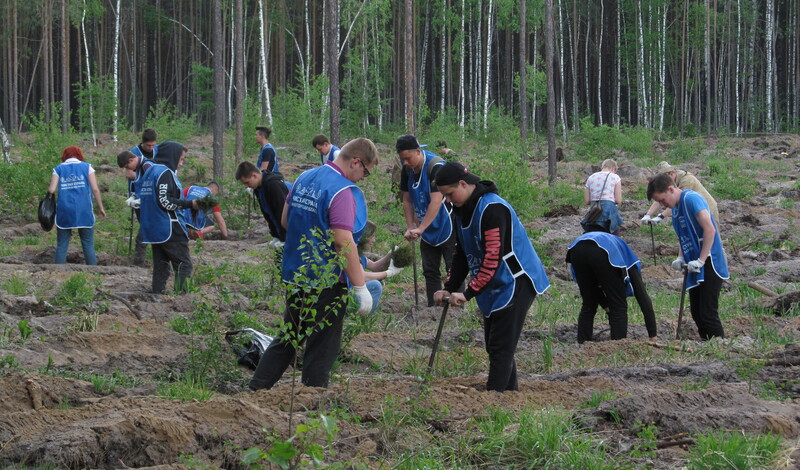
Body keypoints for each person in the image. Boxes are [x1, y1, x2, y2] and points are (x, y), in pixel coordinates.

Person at [249, 138, 378, 391]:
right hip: (327, 279)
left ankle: (255, 390)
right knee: (323, 345)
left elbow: (285, 221)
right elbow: (344, 241)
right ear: (356, 162)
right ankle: (312, 398)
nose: (364, 177)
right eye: (366, 171)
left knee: (289, 336)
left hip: (296, 273)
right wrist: (361, 287)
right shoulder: (342, 191)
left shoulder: (304, 178)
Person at [432, 162, 550, 392]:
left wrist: (467, 294)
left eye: (449, 194)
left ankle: (494, 399)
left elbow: (492, 258)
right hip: (491, 282)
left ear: (464, 184)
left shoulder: (493, 209)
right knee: (495, 345)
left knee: (500, 346)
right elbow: (462, 253)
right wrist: (449, 286)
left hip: (516, 280)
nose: (447, 200)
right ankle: (509, 395)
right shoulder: (461, 208)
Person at [647, 173, 728, 340]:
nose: (662, 205)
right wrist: (681, 257)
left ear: (671, 189)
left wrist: (701, 260)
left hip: (709, 260)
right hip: (693, 261)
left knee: (707, 312)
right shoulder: (675, 208)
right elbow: (684, 235)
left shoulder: (691, 199)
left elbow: (710, 229)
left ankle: (721, 349)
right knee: (696, 312)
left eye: (662, 200)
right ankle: (707, 345)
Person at [565, 231, 658, 343]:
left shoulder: (619, 251)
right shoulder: (631, 264)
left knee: (588, 304)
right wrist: (653, 335)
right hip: (603, 249)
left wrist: (605, 306)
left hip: (576, 248)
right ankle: (617, 346)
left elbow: (593, 288)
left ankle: (582, 344)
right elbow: (643, 298)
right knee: (618, 306)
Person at [396, 134, 456, 307]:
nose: (405, 162)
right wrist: (410, 226)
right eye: (402, 159)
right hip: (426, 227)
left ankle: (456, 309)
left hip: (447, 224)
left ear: (418, 150)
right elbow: (407, 199)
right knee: (430, 270)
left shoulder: (435, 167)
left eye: (408, 158)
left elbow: (436, 200)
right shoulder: (407, 170)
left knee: (453, 269)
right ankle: (433, 308)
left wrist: (420, 228)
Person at [135, 141, 198, 294]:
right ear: (172, 156)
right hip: (169, 227)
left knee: (161, 266)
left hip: (153, 228)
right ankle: (182, 298)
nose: (181, 164)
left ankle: (157, 294)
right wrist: (191, 204)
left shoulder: (150, 171)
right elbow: (165, 202)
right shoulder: (165, 173)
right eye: (180, 159)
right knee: (184, 265)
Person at [48, 146, 106, 265]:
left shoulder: (58, 169)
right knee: (88, 243)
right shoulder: (87, 167)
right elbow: (95, 189)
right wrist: (101, 208)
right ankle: (93, 273)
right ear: (79, 155)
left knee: (62, 245)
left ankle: (58, 273)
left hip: (64, 210)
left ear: (65, 156)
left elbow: (52, 190)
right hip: (84, 210)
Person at [641, 161, 720, 226]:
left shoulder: (686, 180)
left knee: (711, 238)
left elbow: (676, 202)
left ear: (671, 174)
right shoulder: (669, 183)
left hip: (708, 210)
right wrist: (648, 215)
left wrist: (661, 217)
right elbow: (660, 198)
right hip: (693, 212)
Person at [355, 221, 403, 315]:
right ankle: (364, 317)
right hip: (346, 294)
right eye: (371, 236)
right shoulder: (353, 254)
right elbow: (362, 276)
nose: (374, 240)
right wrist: (389, 273)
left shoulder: (360, 254)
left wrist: (390, 254)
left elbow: (374, 266)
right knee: (375, 285)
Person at [235, 161, 290, 243]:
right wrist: (275, 235)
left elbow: (281, 212)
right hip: (279, 233)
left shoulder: (273, 185)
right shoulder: (258, 188)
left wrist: (285, 238)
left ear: (254, 175)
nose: (246, 186)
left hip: (289, 232)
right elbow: (268, 213)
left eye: (247, 182)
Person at [117, 149, 153, 266]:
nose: (128, 170)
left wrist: (144, 200)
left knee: (143, 237)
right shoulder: (138, 167)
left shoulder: (147, 166)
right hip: (144, 207)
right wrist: (133, 197)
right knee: (145, 236)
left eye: (128, 166)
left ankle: (138, 265)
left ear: (131, 160)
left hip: (152, 209)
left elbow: (153, 185)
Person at [582, 159, 623, 234]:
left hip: (594, 212)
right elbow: (618, 200)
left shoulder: (591, 177)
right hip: (609, 212)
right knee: (614, 235)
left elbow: (587, 200)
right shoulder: (615, 177)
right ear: (613, 168)